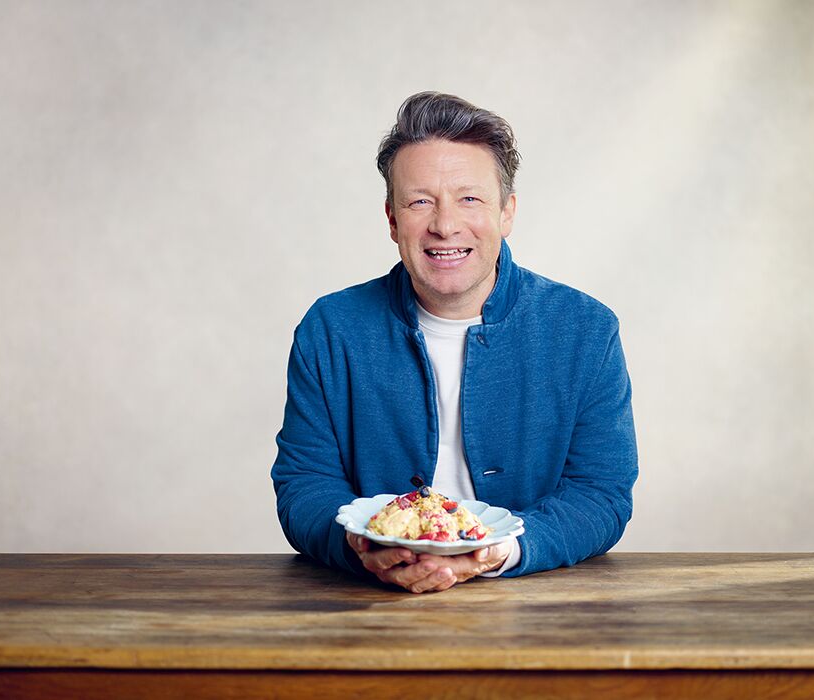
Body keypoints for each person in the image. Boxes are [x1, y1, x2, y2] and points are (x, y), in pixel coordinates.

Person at [271, 92, 637, 593]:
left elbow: (601, 493)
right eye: (420, 201)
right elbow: (304, 484)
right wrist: (364, 549)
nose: (445, 225)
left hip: (532, 601)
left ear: (506, 213)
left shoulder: (586, 330)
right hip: (366, 599)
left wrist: (500, 552)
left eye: (470, 199)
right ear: (392, 219)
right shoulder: (331, 328)